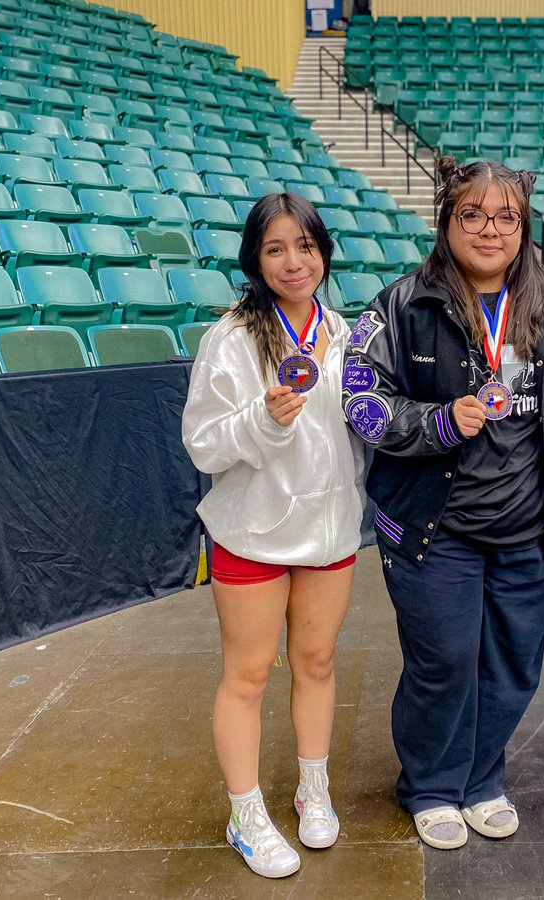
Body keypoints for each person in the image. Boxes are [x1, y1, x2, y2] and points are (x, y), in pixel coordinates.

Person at [341, 158, 544, 850]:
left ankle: (480, 779)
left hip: (527, 526)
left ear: (523, 228)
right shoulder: (401, 304)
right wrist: (437, 423)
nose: (489, 229)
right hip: (433, 526)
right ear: (446, 222)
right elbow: (358, 398)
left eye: (506, 217)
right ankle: (432, 786)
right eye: (471, 214)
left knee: (513, 665)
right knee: (443, 663)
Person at [182, 193, 365, 877]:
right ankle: (246, 814)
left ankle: (313, 790)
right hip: (252, 533)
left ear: (323, 253)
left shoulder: (343, 333)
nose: (294, 262)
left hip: (329, 531)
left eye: (306, 246)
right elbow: (202, 443)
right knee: (249, 674)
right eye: (276, 249)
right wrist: (262, 420)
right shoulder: (229, 338)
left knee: (316, 663)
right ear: (255, 260)